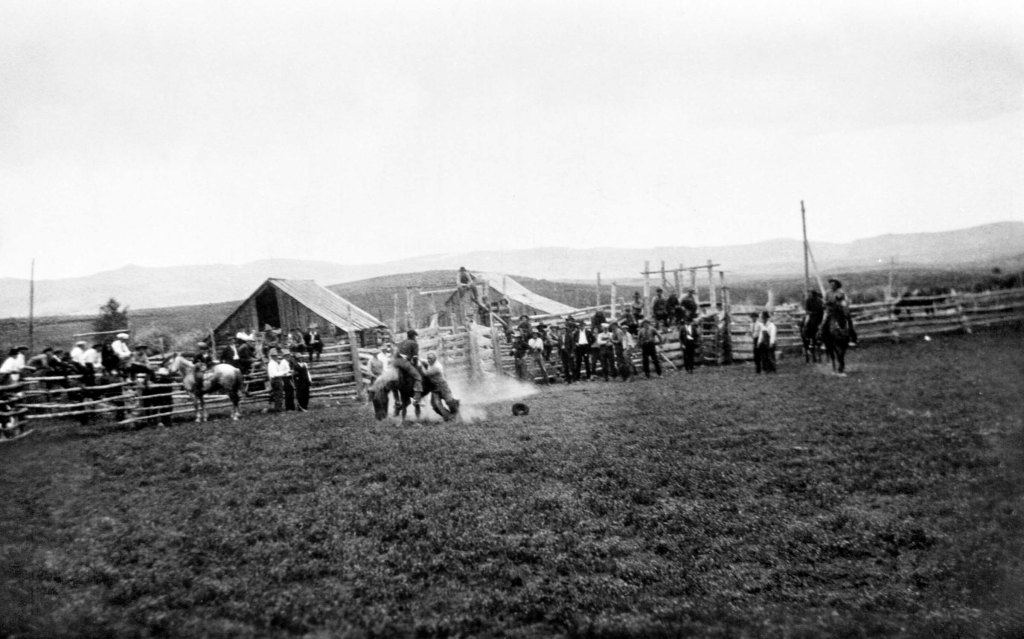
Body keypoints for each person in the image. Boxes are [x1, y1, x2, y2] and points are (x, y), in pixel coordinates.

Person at [420, 352, 459, 419]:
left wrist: (420, 366)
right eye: (428, 358)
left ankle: (456, 413)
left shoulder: (437, 367)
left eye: (430, 358)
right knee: (435, 405)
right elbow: (424, 361)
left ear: (434, 359)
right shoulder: (430, 363)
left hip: (442, 386)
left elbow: (425, 373)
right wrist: (417, 359)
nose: (428, 360)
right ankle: (448, 417)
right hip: (434, 388)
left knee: (449, 402)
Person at [824, 278, 858, 344]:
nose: (831, 286)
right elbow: (825, 301)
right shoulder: (827, 292)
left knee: (848, 321)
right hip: (830, 310)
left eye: (833, 284)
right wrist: (826, 303)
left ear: (837, 285)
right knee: (824, 323)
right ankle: (823, 340)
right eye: (830, 284)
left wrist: (840, 303)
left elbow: (843, 301)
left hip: (839, 310)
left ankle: (853, 338)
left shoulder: (841, 292)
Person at [393, 330, 424, 404]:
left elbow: (396, 353)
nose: (415, 337)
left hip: (395, 363)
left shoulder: (401, 343)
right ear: (413, 336)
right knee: (418, 377)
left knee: (392, 380)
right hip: (405, 363)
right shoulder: (414, 343)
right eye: (415, 336)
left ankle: (397, 399)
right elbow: (415, 357)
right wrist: (415, 367)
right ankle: (417, 398)